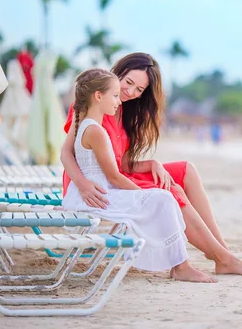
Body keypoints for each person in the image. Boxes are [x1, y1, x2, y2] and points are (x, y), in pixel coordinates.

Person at [61, 53, 242, 276]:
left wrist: (151, 164)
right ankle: (220, 258)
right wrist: (81, 183)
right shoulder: (92, 106)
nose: (130, 93)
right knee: (172, 190)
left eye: (139, 90)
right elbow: (66, 153)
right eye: (128, 83)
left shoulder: (123, 111)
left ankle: (221, 250)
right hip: (94, 184)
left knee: (187, 170)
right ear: (118, 73)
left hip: (117, 176)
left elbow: (124, 164)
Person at [63, 68, 216, 283]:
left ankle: (183, 263)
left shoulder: (90, 125)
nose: (119, 101)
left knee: (163, 198)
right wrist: (144, 195)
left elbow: (117, 170)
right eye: (115, 95)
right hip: (97, 194)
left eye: (139, 89)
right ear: (98, 96)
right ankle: (181, 266)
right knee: (161, 199)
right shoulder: (96, 130)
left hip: (99, 192)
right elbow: (114, 177)